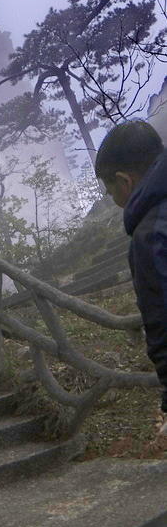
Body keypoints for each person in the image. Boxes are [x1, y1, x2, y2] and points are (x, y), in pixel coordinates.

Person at [95, 119, 167, 436]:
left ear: (125, 181)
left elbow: (162, 316)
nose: (112, 199)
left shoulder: (151, 234)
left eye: (109, 190)